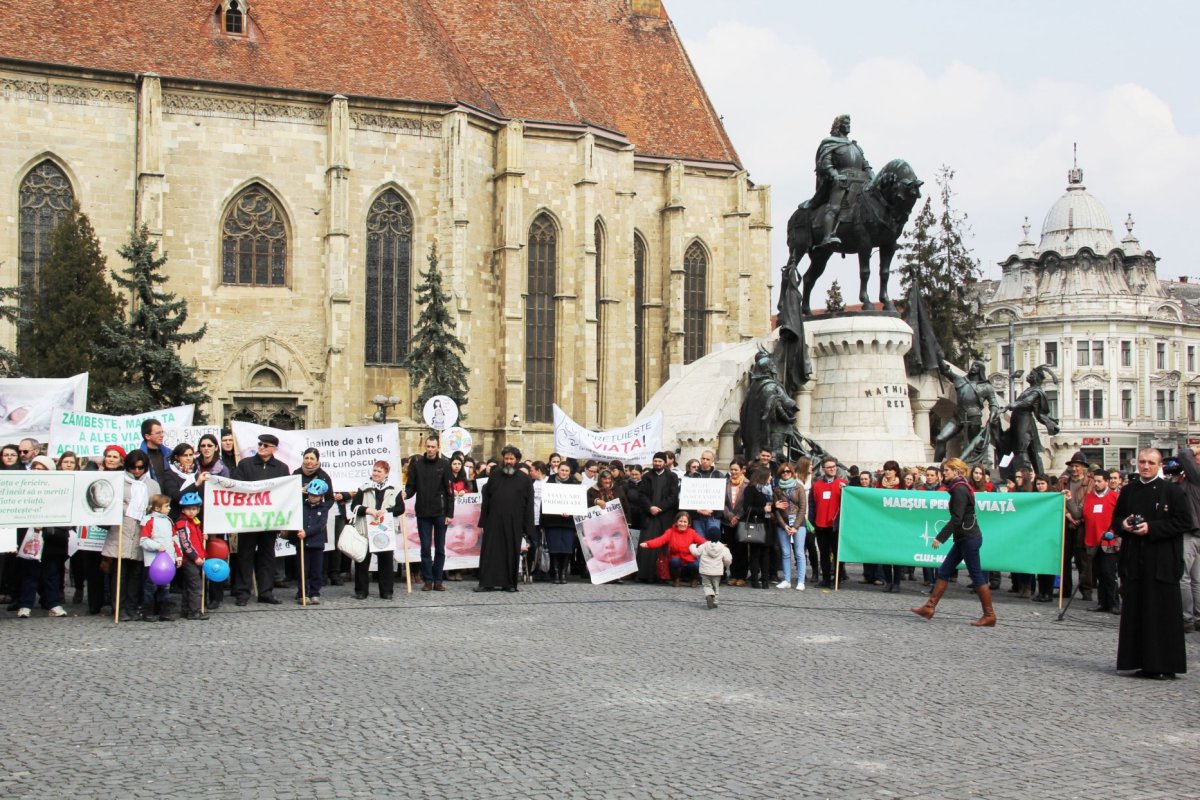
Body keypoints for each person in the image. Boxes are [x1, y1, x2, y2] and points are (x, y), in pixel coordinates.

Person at [1112, 447, 1192, 679]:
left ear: (1159, 466)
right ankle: (1137, 661)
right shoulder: (1128, 490)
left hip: (1162, 560)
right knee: (1136, 611)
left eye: (1150, 463)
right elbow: (1116, 519)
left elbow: (1184, 522)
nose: (1145, 466)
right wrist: (1124, 525)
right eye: (1142, 462)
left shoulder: (1172, 491)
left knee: (1161, 614)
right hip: (1134, 560)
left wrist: (1151, 528)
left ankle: (1163, 665)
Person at [910, 458, 995, 627]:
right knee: (944, 570)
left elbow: (957, 518)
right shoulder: (959, 486)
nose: (944, 473)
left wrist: (939, 538)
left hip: (969, 538)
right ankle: (929, 607)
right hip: (964, 538)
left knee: (977, 576)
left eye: (947, 470)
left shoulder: (959, 489)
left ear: (956, 471)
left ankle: (989, 615)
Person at [231, 433, 291, 606]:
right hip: (249, 519)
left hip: (270, 520)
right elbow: (236, 487)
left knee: (267, 557)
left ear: (274, 449)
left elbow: (285, 492)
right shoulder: (245, 464)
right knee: (245, 556)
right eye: (260, 444)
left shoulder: (281, 468)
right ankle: (243, 592)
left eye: (265, 445)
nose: (262, 447)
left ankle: (265, 592)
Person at [102, 449, 160, 622]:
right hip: (121, 531)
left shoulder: (152, 485)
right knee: (120, 573)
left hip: (141, 532)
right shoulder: (118, 481)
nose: (136, 471)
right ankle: (119, 607)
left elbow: (157, 506)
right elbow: (110, 502)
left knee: (135, 574)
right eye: (133, 467)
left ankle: (132, 606)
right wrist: (128, 509)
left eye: (140, 468)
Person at [15, 456, 69, 618]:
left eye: (41, 469)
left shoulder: (58, 490)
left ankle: (53, 603)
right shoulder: (24, 489)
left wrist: (46, 523)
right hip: (30, 536)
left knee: (51, 573)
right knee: (29, 573)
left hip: (51, 538)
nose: (37, 471)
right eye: (35, 468)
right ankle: (25, 605)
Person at [809, 113, 873, 249]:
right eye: (845, 123)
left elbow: (865, 164)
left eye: (849, 123)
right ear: (838, 126)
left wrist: (871, 174)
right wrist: (835, 175)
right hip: (842, 181)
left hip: (862, 181)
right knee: (834, 207)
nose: (848, 126)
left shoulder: (855, 146)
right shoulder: (830, 143)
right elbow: (825, 163)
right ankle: (827, 236)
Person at [476, 445, 535, 592]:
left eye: (511, 459)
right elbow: (487, 498)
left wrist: (528, 528)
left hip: (514, 522)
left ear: (517, 460)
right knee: (491, 552)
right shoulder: (495, 475)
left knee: (510, 552)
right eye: (506, 458)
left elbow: (529, 505)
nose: (508, 461)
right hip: (494, 521)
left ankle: (508, 584)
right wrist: (484, 520)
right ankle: (487, 583)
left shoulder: (525, 479)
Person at [404, 436, 455, 592]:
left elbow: (450, 491)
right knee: (425, 548)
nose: (430, 449)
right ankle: (428, 579)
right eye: (428, 446)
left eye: (433, 447)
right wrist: (405, 494)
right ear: (425, 447)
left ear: (438, 448)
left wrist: (449, 513)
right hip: (423, 512)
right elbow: (411, 487)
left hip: (440, 512)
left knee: (440, 548)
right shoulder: (417, 465)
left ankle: (438, 580)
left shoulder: (444, 465)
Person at [349, 461, 403, 600]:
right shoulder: (364, 488)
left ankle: (386, 591)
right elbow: (354, 507)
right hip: (365, 529)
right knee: (362, 560)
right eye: (374, 470)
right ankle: (361, 590)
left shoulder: (395, 489)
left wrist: (387, 511)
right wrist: (368, 510)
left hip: (384, 530)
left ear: (386, 473)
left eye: (379, 471)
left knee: (386, 561)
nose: (376, 473)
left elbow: (400, 508)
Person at [934, 359, 1001, 463]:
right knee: (940, 439)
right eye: (973, 365)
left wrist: (993, 411)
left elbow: (993, 402)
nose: (973, 367)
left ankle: (976, 467)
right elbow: (947, 372)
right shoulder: (960, 380)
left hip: (974, 417)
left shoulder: (987, 387)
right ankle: (936, 466)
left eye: (976, 366)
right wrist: (939, 358)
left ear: (981, 370)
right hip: (958, 416)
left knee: (974, 445)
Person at [635, 452, 679, 584]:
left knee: (662, 546)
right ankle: (644, 574)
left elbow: (673, 496)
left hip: (664, 516)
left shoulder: (672, 477)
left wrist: (659, 508)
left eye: (660, 461)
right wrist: (650, 508)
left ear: (665, 462)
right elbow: (641, 495)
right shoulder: (647, 476)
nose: (657, 463)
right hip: (649, 516)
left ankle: (661, 575)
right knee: (647, 544)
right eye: (655, 461)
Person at [1082, 469, 1120, 615]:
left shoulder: (1114, 496)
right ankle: (1102, 602)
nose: (1096, 484)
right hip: (1092, 541)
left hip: (1108, 541)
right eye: (1095, 481)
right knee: (1099, 574)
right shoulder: (1089, 497)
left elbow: (1119, 518)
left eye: (1099, 481)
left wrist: (1116, 536)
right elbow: (1083, 514)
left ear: (1107, 482)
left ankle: (1114, 603)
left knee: (1109, 573)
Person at [139, 493, 182, 622]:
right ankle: (148, 612)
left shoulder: (168, 521)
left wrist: (178, 556)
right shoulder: (149, 520)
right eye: (167, 506)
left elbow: (174, 539)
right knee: (150, 588)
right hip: (153, 562)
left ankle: (164, 613)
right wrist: (157, 546)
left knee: (165, 587)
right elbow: (144, 540)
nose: (169, 508)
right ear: (157, 508)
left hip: (167, 561)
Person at [638, 511, 706, 588]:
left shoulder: (692, 533)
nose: (682, 524)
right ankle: (676, 579)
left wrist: (714, 545)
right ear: (676, 522)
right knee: (674, 561)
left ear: (689, 524)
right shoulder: (670, 532)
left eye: (685, 522)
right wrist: (648, 544)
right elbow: (660, 540)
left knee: (696, 565)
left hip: (690, 560)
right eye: (680, 521)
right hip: (675, 561)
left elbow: (703, 542)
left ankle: (694, 580)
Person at [1059, 451, 1093, 601]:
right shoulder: (1064, 482)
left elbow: (1088, 503)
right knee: (1064, 560)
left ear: (1083, 467)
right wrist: (1068, 515)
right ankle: (1065, 589)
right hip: (1066, 525)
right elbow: (1058, 501)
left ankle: (1086, 591)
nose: (1074, 469)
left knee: (1083, 561)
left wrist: (1079, 517)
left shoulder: (1090, 483)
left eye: (1077, 466)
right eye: (1072, 466)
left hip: (1082, 526)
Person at [1173, 445, 1200, 633]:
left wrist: (1193, 448)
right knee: (1197, 579)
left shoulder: (1196, 474)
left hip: (1191, 532)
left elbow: (1183, 453)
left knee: (1184, 577)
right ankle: (1197, 617)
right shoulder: (1191, 478)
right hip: (1195, 531)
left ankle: (1186, 618)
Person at [540, 461, 580, 585]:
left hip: (568, 523)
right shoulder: (549, 482)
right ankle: (556, 573)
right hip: (552, 522)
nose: (564, 472)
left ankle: (563, 574)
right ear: (558, 470)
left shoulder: (575, 484)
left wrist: (571, 512)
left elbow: (578, 504)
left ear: (570, 472)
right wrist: (542, 524)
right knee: (554, 548)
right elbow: (543, 504)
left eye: (566, 470)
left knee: (567, 549)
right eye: (562, 470)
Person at [809, 456, 847, 588]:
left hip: (836, 526)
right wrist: (812, 523)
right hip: (821, 525)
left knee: (837, 554)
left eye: (834, 467)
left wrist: (845, 490)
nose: (832, 469)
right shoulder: (816, 485)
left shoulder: (843, 484)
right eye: (829, 467)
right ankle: (825, 579)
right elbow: (812, 505)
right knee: (824, 554)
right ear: (823, 469)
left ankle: (837, 579)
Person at [173, 491, 209, 620]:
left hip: (195, 558)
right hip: (189, 559)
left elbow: (195, 539)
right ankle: (194, 611)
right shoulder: (182, 523)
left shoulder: (194, 522)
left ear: (198, 510)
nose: (191, 511)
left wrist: (203, 536)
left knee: (189, 585)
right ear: (183, 510)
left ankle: (186, 610)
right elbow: (185, 543)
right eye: (188, 509)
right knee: (195, 585)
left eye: (194, 509)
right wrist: (195, 557)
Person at [297, 478, 332, 605]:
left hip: (317, 544)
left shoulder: (324, 508)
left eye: (316, 496)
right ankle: (302, 593)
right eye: (311, 494)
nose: (312, 497)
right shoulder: (302, 506)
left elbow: (321, 525)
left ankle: (315, 593)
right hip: (303, 544)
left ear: (321, 496)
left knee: (316, 571)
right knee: (303, 570)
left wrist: (306, 532)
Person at [772, 469, 805, 590]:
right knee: (785, 553)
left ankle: (801, 581)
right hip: (783, 523)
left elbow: (803, 507)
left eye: (788, 471)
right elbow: (776, 510)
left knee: (799, 552)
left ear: (792, 473)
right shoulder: (777, 489)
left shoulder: (799, 487)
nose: (785, 473)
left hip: (798, 523)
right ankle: (787, 579)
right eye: (783, 472)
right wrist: (783, 525)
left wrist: (795, 526)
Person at [719, 457, 750, 586]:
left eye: (736, 470)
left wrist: (737, 517)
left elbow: (747, 504)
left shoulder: (747, 484)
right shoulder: (725, 483)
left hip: (741, 521)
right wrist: (730, 516)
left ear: (742, 470)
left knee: (741, 549)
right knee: (731, 548)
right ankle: (733, 574)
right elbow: (721, 502)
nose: (733, 472)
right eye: (731, 469)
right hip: (727, 521)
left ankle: (742, 575)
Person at [744, 465, 773, 589]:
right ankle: (755, 580)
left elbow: (770, 507)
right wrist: (762, 509)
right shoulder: (751, 489)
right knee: (755, 553)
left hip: (767, 523)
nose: (771, 478)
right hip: (755, 524)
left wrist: (775, 506)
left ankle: (765, 580)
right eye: (769, 475)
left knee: (766, 553)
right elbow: (747, 508)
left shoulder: (768, 490)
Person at [690, 536, 733, 608]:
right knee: (716, 586)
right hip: (717, 572)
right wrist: (725, 565)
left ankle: (709, 594)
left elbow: (696, 553)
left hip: (705, 571)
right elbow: (728, 560)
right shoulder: (723, 548)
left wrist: (692, 546)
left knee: (707, 585)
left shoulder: (704, 546)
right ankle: (715, 602)